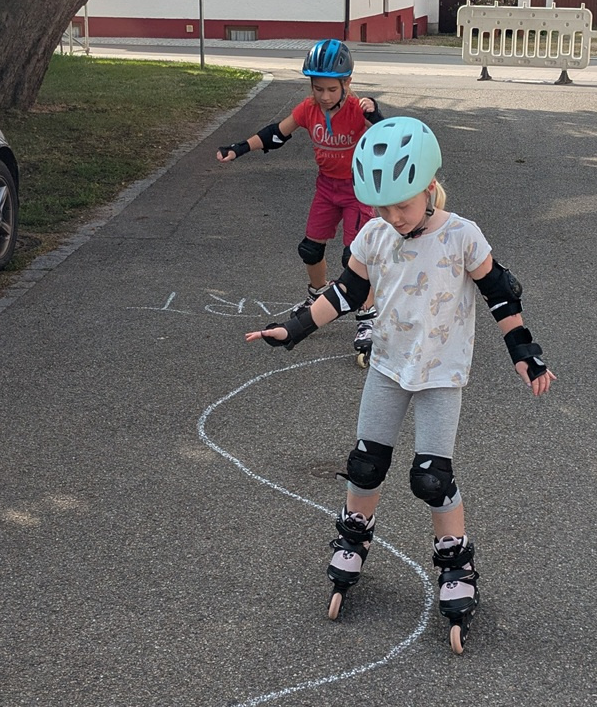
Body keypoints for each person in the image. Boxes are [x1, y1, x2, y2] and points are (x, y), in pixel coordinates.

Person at [245, 115, 555, 653]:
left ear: (430, 187)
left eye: (402, 206)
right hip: (388, 367)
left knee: (432, 477)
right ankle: (353, 538)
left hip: (441, 376)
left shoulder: (461, 236)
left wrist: (523, 352)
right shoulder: (374, 235)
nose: (392, 217)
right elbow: (344, 293)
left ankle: (456, 564)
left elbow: (502, 293)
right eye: (381, 207)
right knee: (366, 463)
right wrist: (293, 328)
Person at [217, 38, 382, 361]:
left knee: (356, 256)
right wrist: (239, 148)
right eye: (318, 88)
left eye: (331, 89)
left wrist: (375, 113)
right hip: (326, 188)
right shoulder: (309, 109)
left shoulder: (356, 110)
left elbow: (388, 133)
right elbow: (276, 134)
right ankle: (319, 295)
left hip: (357, 190)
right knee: (310, 249)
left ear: (347, 82)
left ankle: (368, 313)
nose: (324, 96)